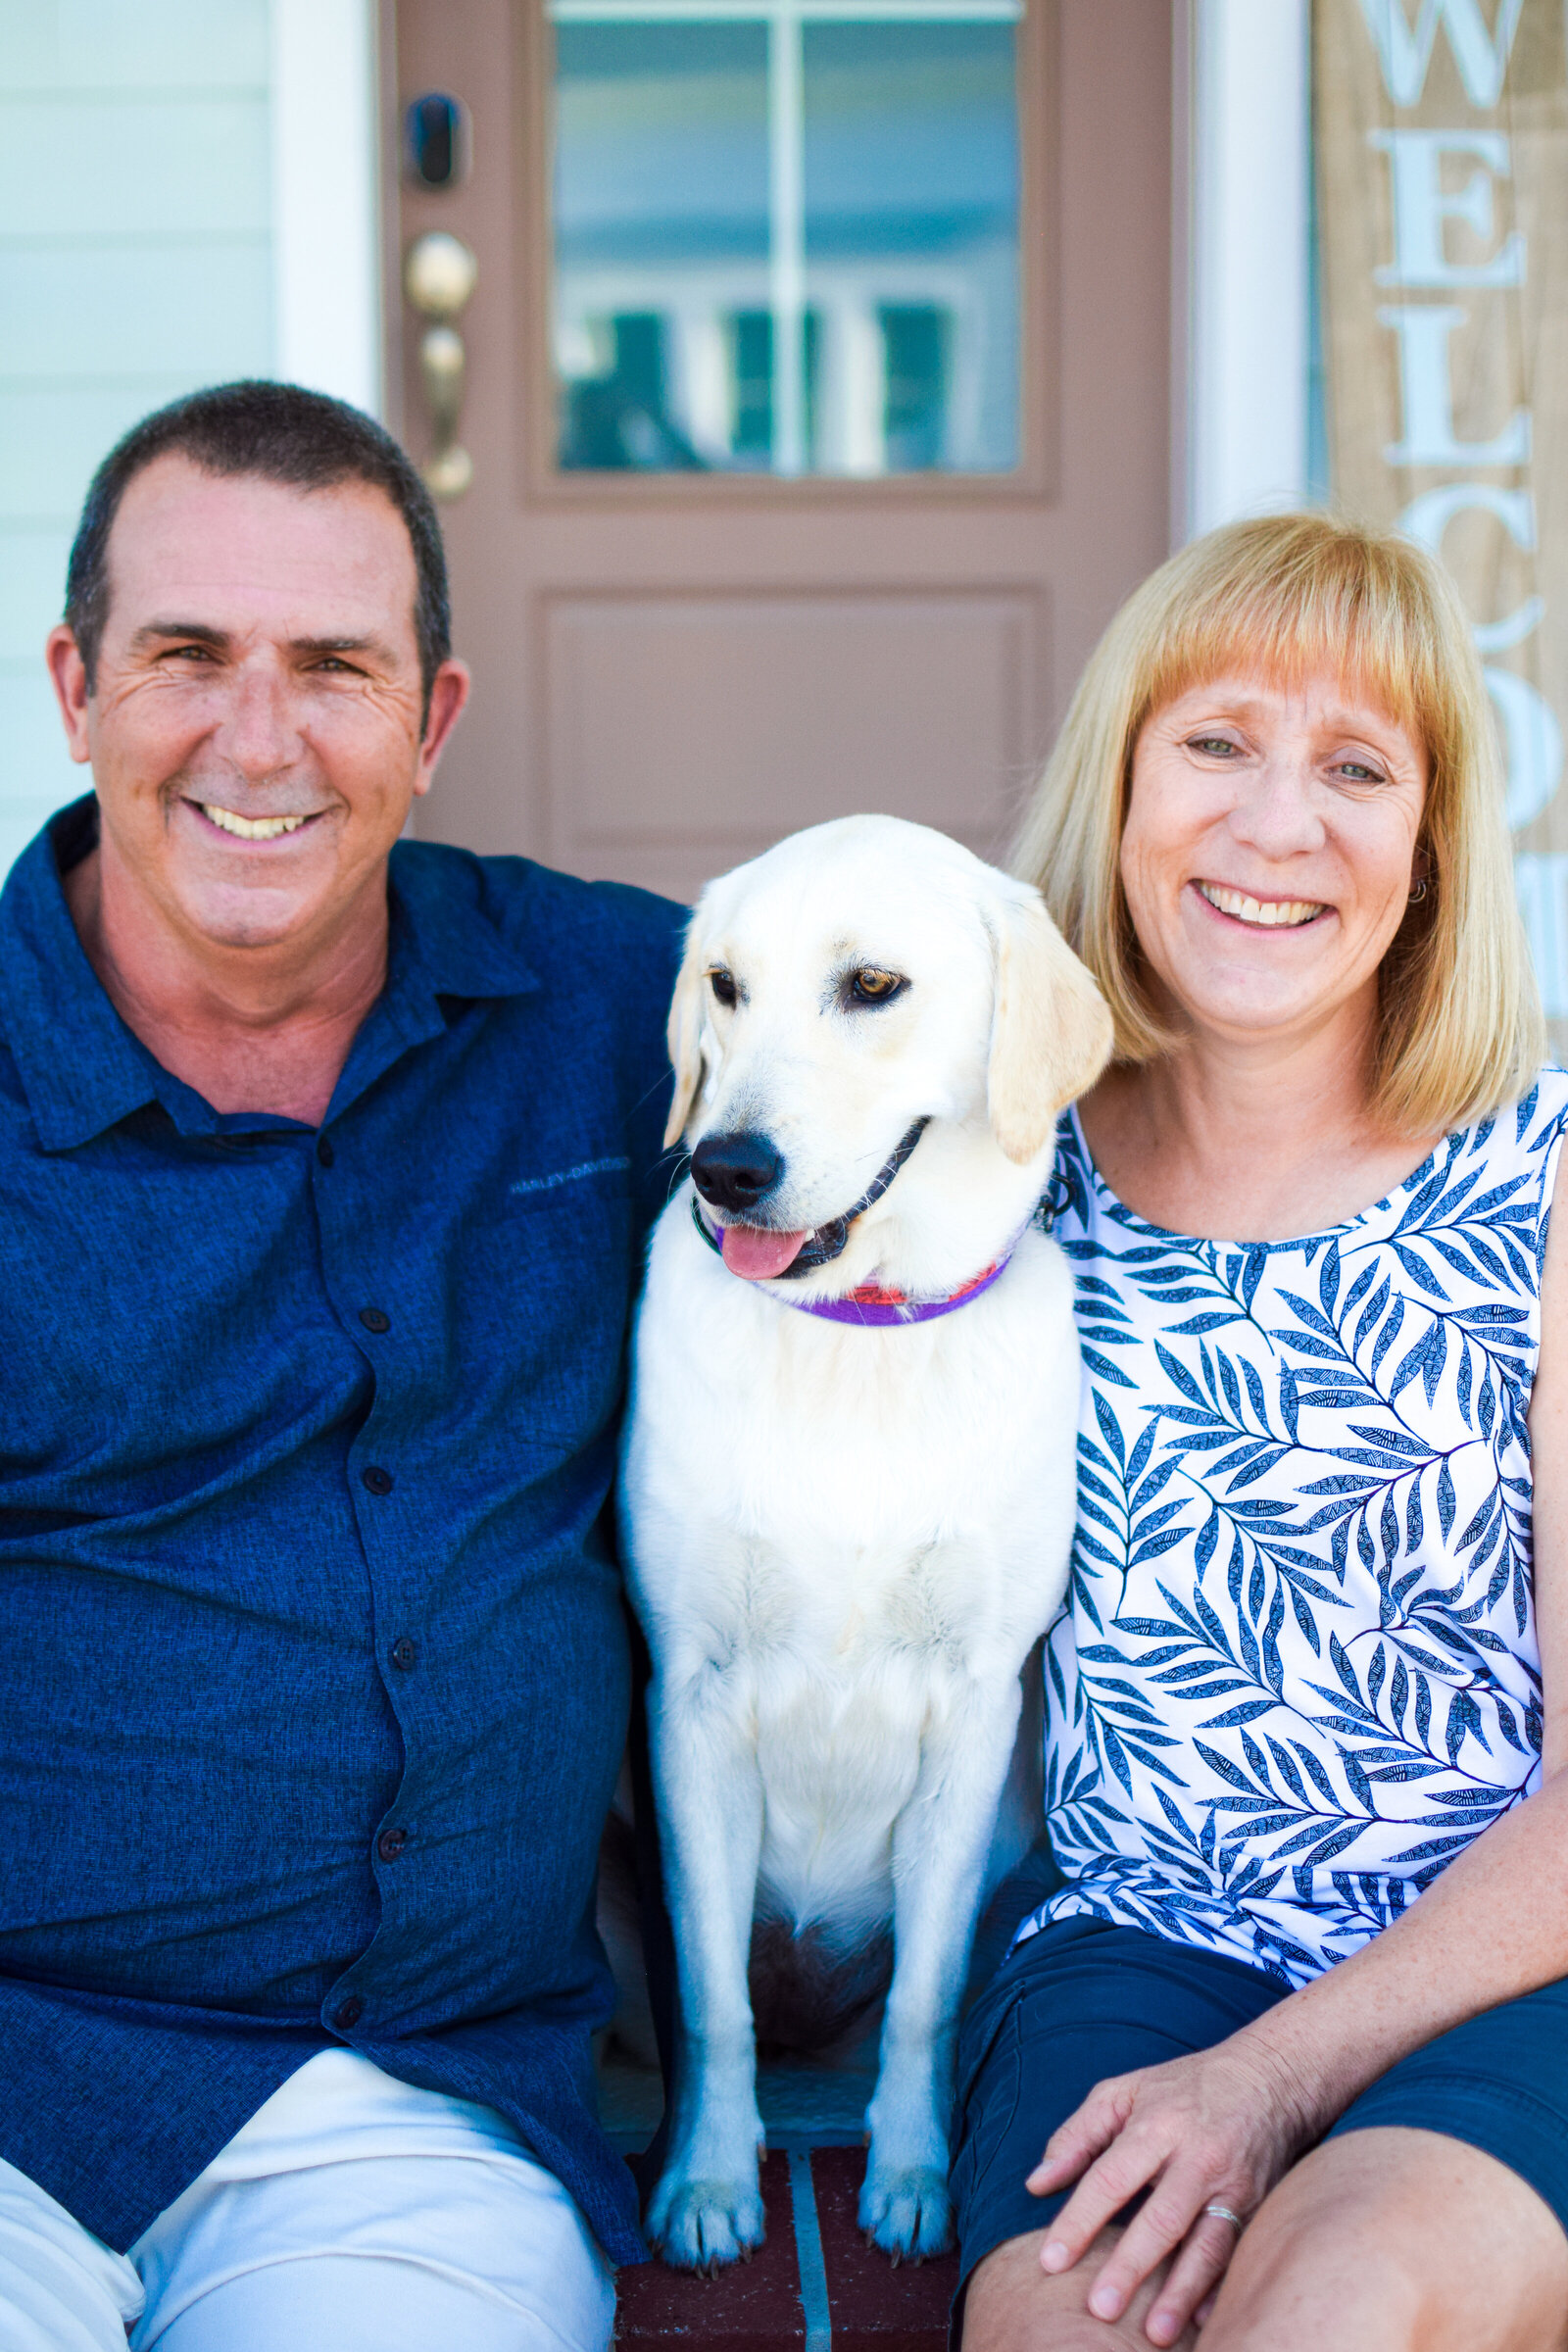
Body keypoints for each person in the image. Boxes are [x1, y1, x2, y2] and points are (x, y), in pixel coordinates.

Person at [0, 380, 684, 2350]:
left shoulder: (622, 1010)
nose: (259, 737)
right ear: (75, 686)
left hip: (421, 2112)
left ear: (432, 717)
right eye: (185, 657)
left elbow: (954, 1066)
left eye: (333, 667)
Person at [950, 514, 1568, 2352]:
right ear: (1121, 782)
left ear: (1432, 848)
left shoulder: (1540, 1182)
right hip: (1130, 1954)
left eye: (1357, 768)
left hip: (1505, 1955)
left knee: (1338, 2313)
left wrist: (1276, 2077)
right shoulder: (997, 1176)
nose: (1276, 824)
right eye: (1216, 741)